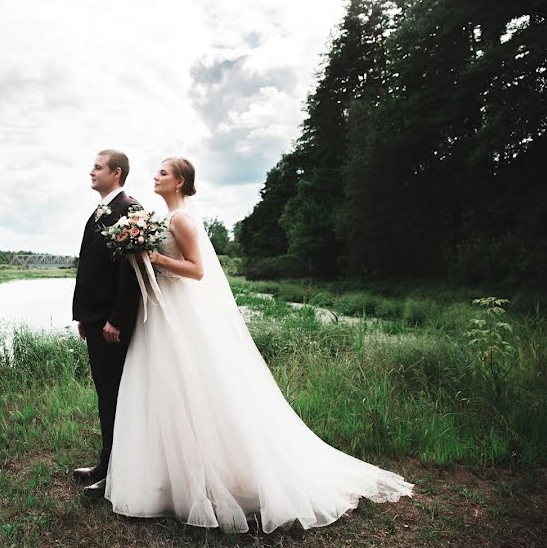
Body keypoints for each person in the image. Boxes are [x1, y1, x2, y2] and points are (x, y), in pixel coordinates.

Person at [103, 157, 414, 533]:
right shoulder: (164, 219)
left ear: (181, 181)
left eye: (164, 173)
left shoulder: (182, 219)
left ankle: (216, 478)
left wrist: (155, 257)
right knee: (165, 390)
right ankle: (167, 480)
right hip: (163, 314)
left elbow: (198, 270)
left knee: (194, 386)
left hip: (182, 314)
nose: (156, 176)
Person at [71, 149, 142, 493]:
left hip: (112, 324)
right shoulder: (101, 211)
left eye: (97, 167)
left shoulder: (128, 210)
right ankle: (107, 463)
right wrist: (83, 316)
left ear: (116, 173)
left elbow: (131, 272)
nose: (91, 172)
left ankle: (114, 471)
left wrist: (116, 318)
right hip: (96, 318)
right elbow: (90, 267)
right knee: (106, 395)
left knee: (115, 395)